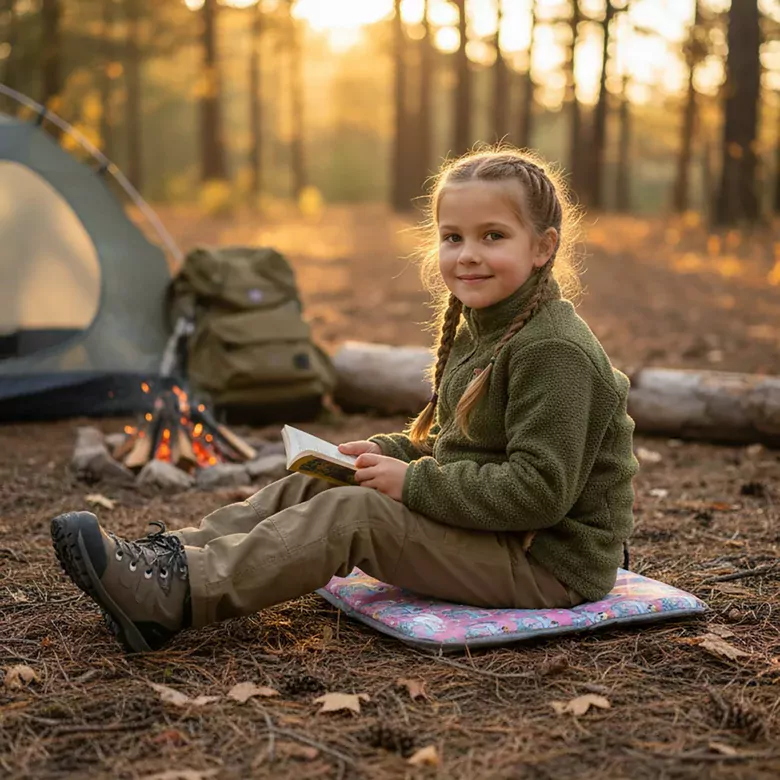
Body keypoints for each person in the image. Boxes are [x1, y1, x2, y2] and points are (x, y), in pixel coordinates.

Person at [51, 147, 639, 654]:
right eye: (452, 237)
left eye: (493, 236)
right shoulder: (487, 327)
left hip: (545, 564)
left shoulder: (553, 352)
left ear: (543, 247)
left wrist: (409, 484)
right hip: (500, 535)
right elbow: (460, 448)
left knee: (354, 515)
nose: (468, 254)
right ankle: (170, 560)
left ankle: (174, 600)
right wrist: (380, 453)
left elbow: (538, 492)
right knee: (325, 482)